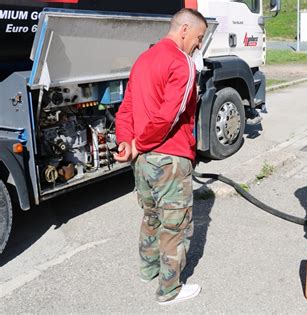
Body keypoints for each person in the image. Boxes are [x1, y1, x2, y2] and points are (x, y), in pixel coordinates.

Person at [113, 8, 208, 305]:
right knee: (175, 224)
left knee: (151, 216)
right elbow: (170, 115)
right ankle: (170, 290)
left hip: (142, 163)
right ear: (183, 30)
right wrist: (140, 142)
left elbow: (126, 107)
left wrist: (125, 143)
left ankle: (148, 269)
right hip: (168, 157)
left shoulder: (144, 59)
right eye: (198, 37)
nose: (198, 45)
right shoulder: (182, 62)